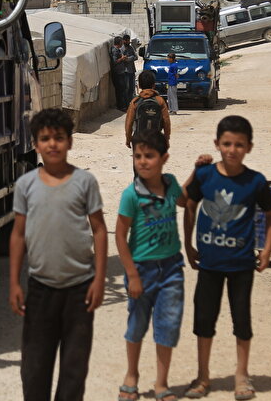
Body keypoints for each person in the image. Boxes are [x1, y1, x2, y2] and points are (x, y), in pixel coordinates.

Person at [10, 108, 108, 401]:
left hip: (80, 291)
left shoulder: (84, 183)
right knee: (35, 367)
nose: (52, 144)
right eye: (45, 138)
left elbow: (100, 230)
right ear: (36, 144)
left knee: (74, 370)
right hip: (40, 290)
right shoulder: (26, 185)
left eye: (59, 138)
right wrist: (14, 282)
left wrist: (100, 279)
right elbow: (17, 235)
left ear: (70, 142)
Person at [182, 116, 271, 401]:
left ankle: (241, 376)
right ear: (217, 144)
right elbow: (185, 204)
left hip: (241, 264)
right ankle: (202, 376)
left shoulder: (256, 182)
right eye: (227, 144)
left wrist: (267, 249)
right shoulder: (205, 176)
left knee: (242, 321)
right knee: (203, 320)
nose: (232, 150)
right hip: (209, 263)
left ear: (248, 147)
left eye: (239, 145)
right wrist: (187, 245)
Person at [116, 130, 188, 401]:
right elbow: (121, 237)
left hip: (171, 270)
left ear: (164, 158)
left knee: (167, 325)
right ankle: (131, 375)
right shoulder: (130, 195)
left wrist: (199, 172)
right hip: (141, 270)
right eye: (138, 156)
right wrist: (132, 274)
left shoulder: (170, 184)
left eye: (149, 156)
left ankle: (161, 383)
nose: (143, 161)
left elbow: (185, 200)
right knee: (136, 324)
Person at [126, 69, 171, 149]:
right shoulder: (160, 100)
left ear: (139, 86)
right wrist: (166, 139)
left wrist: (128, 139)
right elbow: (166, 121)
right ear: (153, 85)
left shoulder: (135, 102)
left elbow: (129, 123)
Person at [111, 36, 130, 110]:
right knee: (120, 90)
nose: (123, 43)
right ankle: (121, 106)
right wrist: (122, 58)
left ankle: (123, 105)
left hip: (121, 72)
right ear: (119, 43)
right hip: (117, 73)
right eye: (121, 42)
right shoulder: (115, 51)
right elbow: (114, 61)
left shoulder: (118, 50)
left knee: (123, 89)